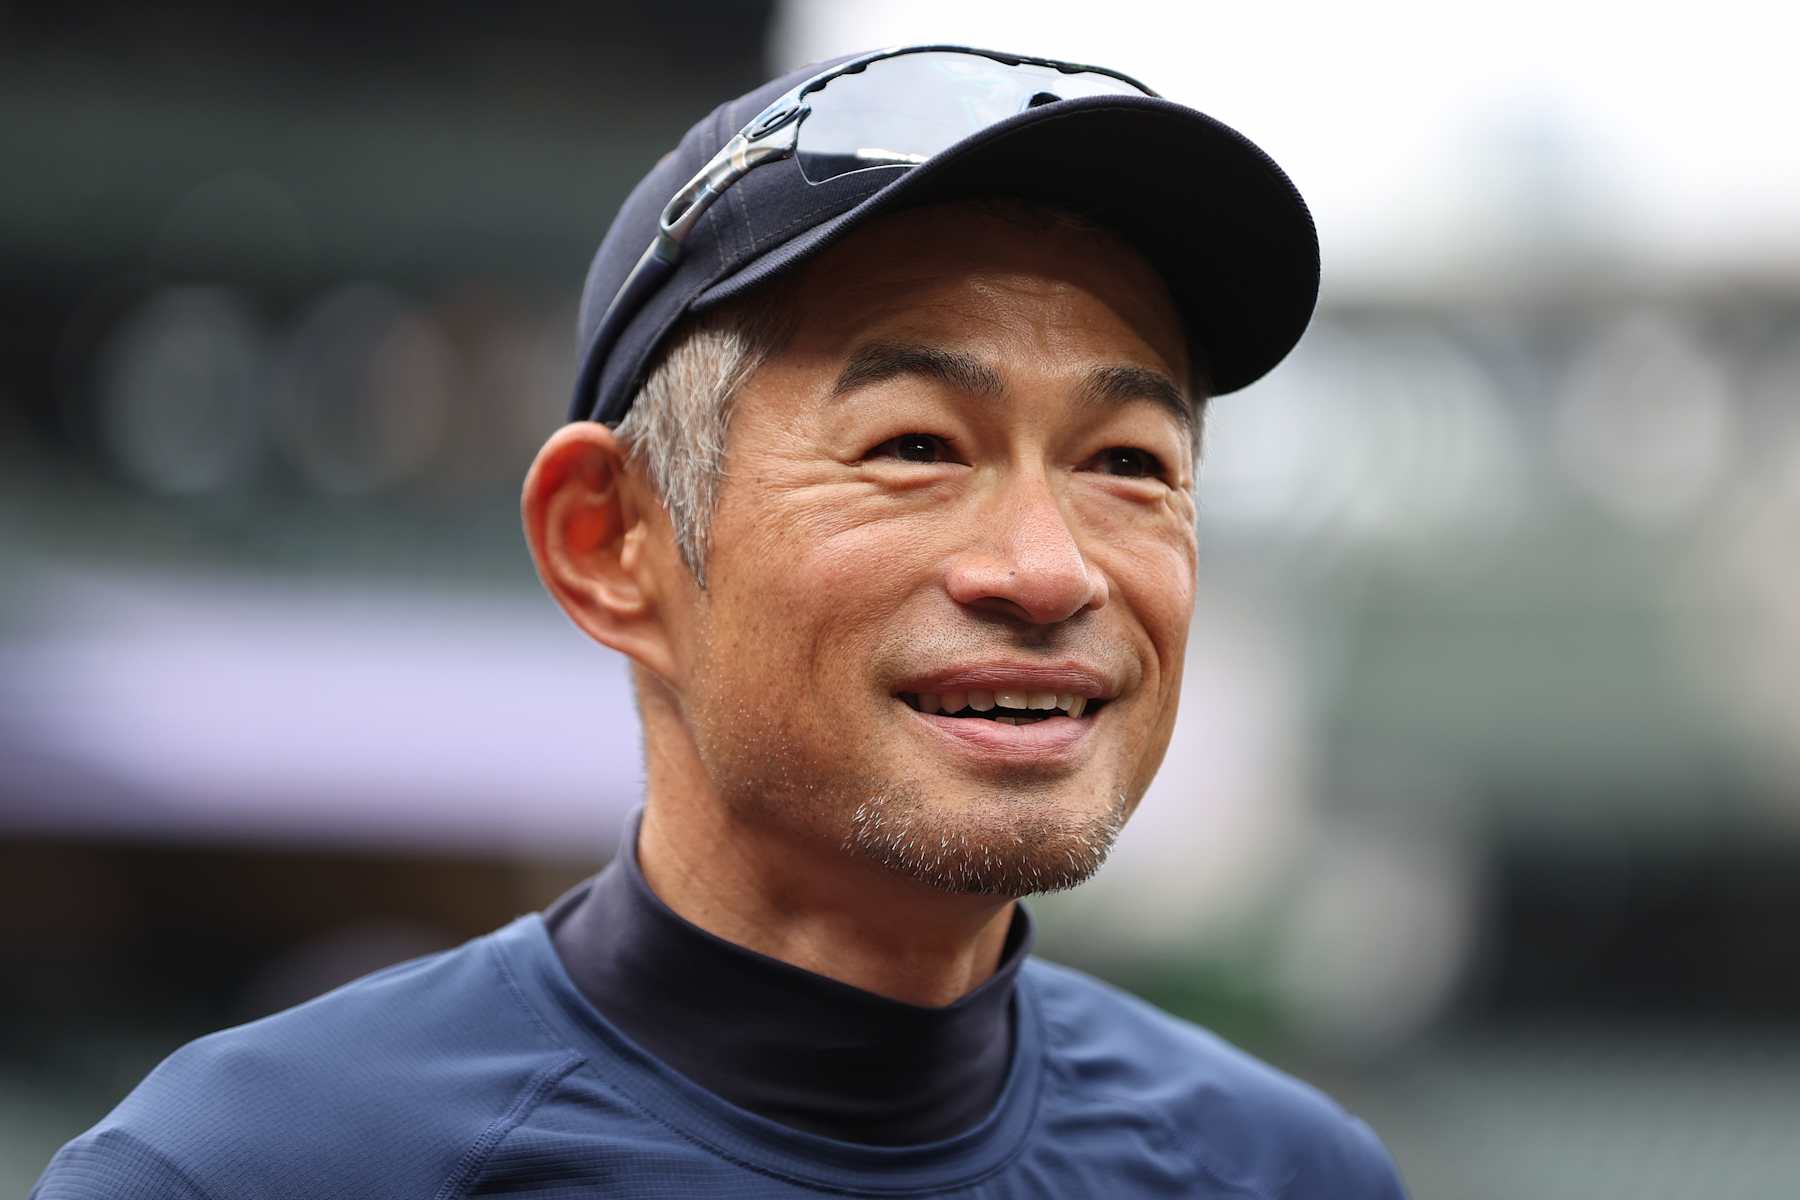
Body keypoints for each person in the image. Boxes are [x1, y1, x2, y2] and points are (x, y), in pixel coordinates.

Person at [34, 45, 1406, 1198]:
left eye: (1128, 464)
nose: (1048, 571)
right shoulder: (252, 1171)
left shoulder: (1284, 1173)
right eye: (918, 444)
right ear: (610, 544)